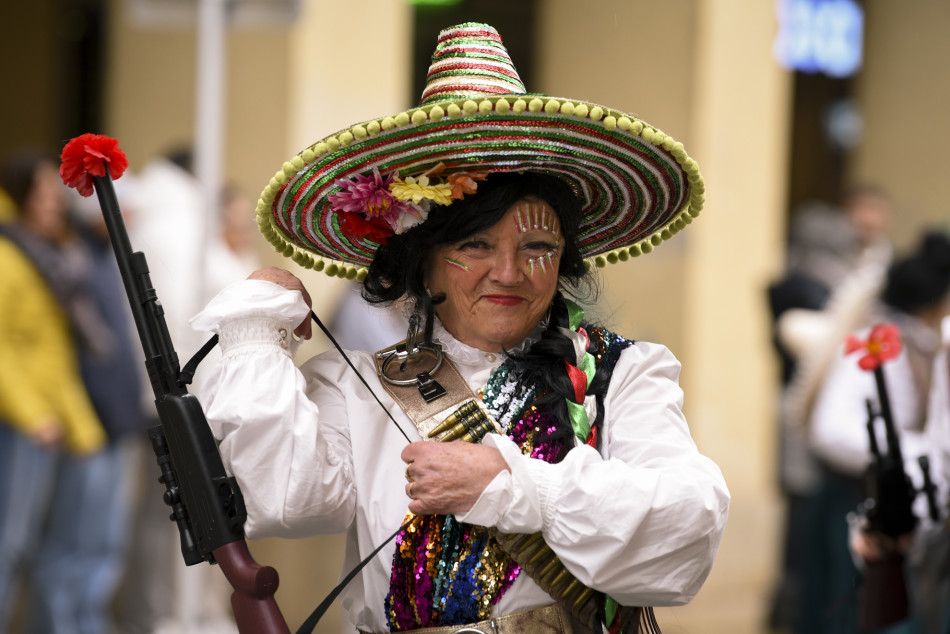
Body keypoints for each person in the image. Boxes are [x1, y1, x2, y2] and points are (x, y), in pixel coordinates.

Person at [191, 23, 730, 634]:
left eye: (536, 245)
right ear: (420, 259)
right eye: (474, 243)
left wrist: (512, 486)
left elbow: (688, 530)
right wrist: (259, 325)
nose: (508, 272)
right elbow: (279, 498)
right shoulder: (358, 384)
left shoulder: (623, 374)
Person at [805, 231, 950, 633]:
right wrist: (916, 449)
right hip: (858, 495)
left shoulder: (924, 344)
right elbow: (830, 431)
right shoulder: (882, 344)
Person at [0, 151, 117, 633]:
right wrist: (32, 416)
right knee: (9, 542)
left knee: (38, 542)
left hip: (50, 421)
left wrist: (83, 430)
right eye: (43, 191)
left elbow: (55, 355)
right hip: (22, 425)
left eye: (55, 191)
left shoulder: (43, 254)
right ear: (19, 195)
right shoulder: (10, 257)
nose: (54, 201)